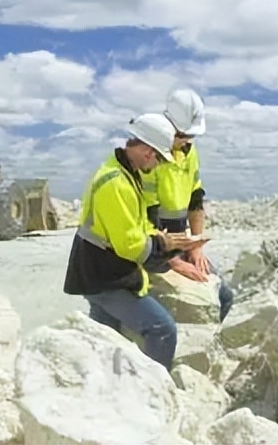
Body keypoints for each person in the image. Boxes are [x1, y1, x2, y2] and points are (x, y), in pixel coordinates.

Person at [63, 113, 199, 370]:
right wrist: (167, 248)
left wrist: (159, 235)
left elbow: (135, 225)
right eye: (159, 158)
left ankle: (107, 391)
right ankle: (152, 394)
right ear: (148, 152)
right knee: (162, 329)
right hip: (104, 276)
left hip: (98, 270)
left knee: (105, 342)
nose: (158, 164)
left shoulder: (124, 173)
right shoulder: (116, 183)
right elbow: (131, 246)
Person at [143, 88, 234, 322]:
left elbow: (195, 200)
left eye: (189, 137)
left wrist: (195, 246)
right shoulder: (149, 155)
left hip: (179, 241)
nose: (185, 141)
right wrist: (170, 260)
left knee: (224, 296)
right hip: (150, 244)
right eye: (182, 135)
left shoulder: (189, 153)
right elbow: (145, 216)